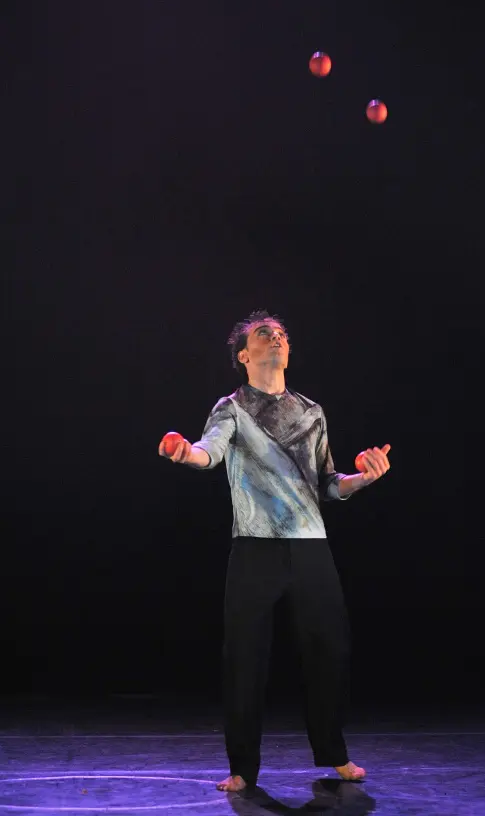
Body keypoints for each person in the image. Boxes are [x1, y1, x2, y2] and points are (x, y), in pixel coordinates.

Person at [157, 309, 391, 792]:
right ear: (245, 355)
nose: (276, 338)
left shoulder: (312, 411)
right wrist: (185, 452)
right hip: (254, 548)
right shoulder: (233, 406)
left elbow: (329, 484)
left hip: (310, 547)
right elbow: (210, 450)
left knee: (330, 651)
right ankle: (242, 767)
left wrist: (363, 477)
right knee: (244, 659)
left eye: (281, 333)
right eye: (265, 334)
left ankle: (334, 752)